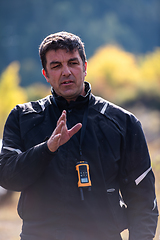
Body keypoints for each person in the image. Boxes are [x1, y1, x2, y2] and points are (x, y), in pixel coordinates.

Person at [0, 31, 158, 240]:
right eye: (56, 66)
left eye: (73, 63)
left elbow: (143, 202)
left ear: (85, 67)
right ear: (46, 74)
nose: (66, 72)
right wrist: (47, 149)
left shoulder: (123, 122)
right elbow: (8, 178)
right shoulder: (23, 117)